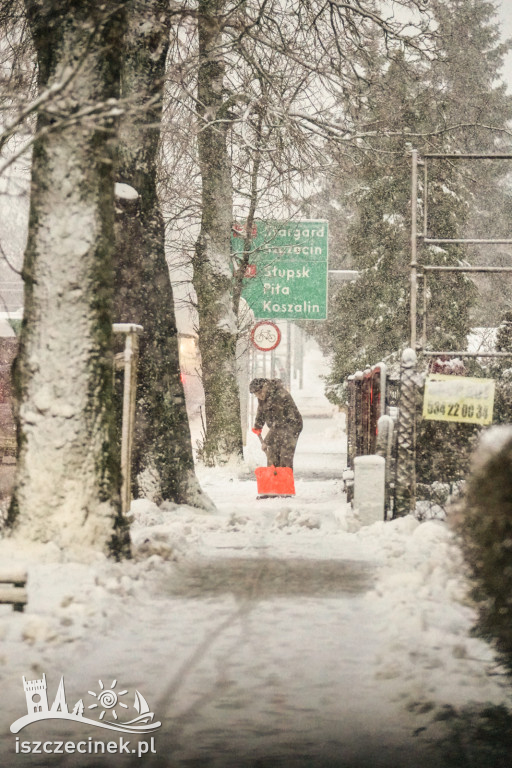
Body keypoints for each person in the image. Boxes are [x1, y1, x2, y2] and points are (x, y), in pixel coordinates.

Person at [249, 378, 303, 469]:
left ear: (264, 387)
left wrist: (266, 441)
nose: (259, 396)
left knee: (285, 455)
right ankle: (274, 478)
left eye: (259, 393)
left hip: (292, 426)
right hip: (278, 427)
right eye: (256, 395)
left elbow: (279, 422)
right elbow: (261, 410)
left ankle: (285, 479)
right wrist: (258, 425)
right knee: (272, 453)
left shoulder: (279, 396)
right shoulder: (263, 396)